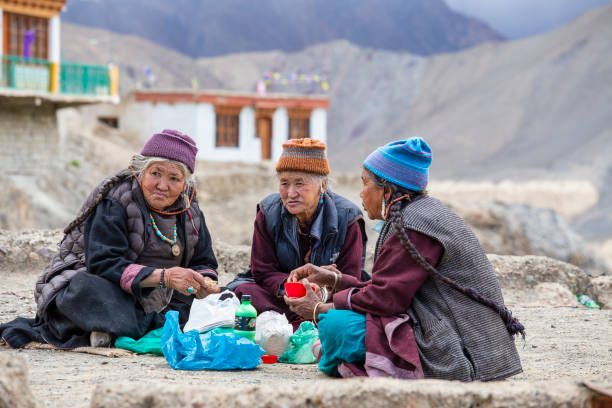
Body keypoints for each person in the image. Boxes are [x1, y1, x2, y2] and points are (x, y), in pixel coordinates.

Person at [285, 137, 524, 381]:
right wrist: (335, 279)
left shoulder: (412, 226)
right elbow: (390, 288)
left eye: (365, 183)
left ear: (386, 190)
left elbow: (386, 300)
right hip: (468, 339)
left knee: (337, 325)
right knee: (339, 321)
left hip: (461, 350)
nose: (361, 193)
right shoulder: (421, 214)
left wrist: (317, 309)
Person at [0, 130, 220, 349]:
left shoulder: (190, 211)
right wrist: (165, 277)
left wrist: (203, 283)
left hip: (159, 296)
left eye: (174, 178)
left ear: (185, 184)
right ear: (139, 171)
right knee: (87, 291)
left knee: (226, 298)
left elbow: (204, 261)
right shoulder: (115, 201)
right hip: (108, 285)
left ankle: (123, 328)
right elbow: (103, 264)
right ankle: (148, 325)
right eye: (156, 173)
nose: (162, 185)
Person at [231, 138, 368, 330]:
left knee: (349, 312)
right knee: (244, 291)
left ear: (323, 185)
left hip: (324, 301)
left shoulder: (348, 218)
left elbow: (351, 277)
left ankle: (293, 326)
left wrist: (320, 292)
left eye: (300, 183)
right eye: (284, 183)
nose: (291, 193)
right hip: (282, 296)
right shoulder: (268, 212)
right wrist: (291, 287)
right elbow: (262, 270)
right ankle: (302, 326)